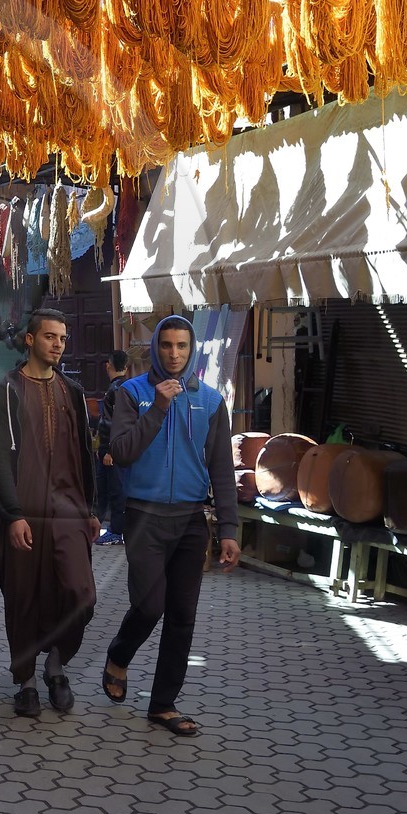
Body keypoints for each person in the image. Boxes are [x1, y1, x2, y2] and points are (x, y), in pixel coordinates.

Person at [102, 315, 240, 738]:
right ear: (155, 348)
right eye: (166, 345)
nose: (174, 354)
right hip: (144, 516)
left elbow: (220, 466)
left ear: (191, 348)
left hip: (191, 520)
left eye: (182, 346)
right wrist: (159, 406)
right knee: (149, 605)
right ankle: (118, 656)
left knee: (183, 615)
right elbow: (122, 451)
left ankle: (163, 704)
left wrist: (230, 528)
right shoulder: (132, 393)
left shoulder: (212, 401)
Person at [0, 309, 101, 718]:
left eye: (63, 338)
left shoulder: (72, 392)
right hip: (25, 515)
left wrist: (91, 508)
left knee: (81, 595)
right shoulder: (7, 390)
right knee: (24, 600)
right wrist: (12, 513)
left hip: (69, 513)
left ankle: (56, 664)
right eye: (50, 337)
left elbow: (84, 453)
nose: (58, 344)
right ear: (30, 340)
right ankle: (28, 682)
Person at [93, 349, 131, 546]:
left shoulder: (117, 389)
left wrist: (109, 450)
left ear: (108, 365)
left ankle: (116, 531)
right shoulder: (127, 387)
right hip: (118, 450)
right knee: (108, 489)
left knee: (114, 490)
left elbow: (114, 423)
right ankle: (98, 526)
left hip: (112, 452)